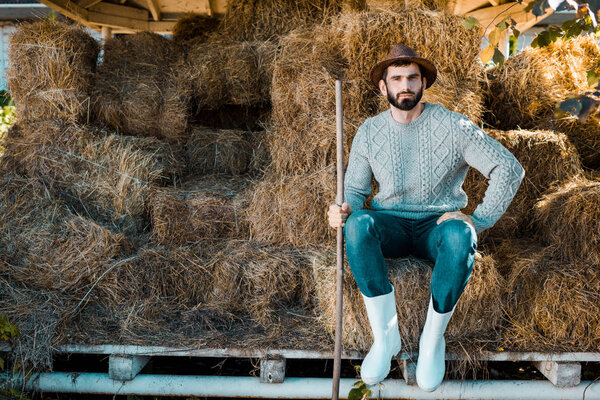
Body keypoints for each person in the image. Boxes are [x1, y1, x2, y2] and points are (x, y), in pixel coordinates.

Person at [327, 43, 525, 391]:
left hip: (436, 227)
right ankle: (385, 338)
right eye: (397, 78)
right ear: (383, 87)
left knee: (461, 236)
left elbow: (508, 168)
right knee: (358, 225)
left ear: (424, 84)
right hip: (391, 225)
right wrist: (342, 209)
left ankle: (432, 340)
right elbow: (356, 194)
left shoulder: (454, 126)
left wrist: (477, 221)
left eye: (413, 78)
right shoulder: (369, 132)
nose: (406, 85)